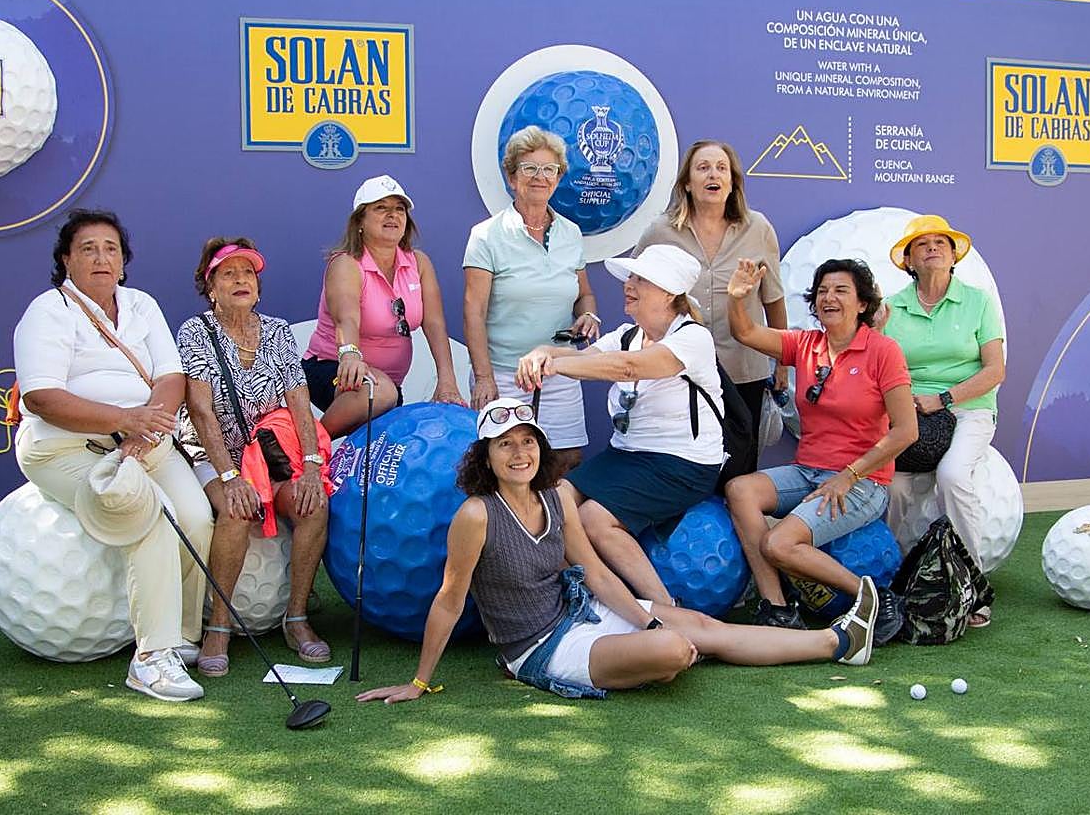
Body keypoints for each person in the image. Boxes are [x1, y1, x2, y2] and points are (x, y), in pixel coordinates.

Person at [354, 398, 880, 704]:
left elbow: (597, 576)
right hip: (540, 647)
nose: (519, 453)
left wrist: (648, 621)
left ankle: (838, 642)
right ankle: (656, 655)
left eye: (527, 441)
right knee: (675, 653)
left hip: (581, 610)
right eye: (504, 444)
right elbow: (449, 600)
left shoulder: (555, 497)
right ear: (486, 456)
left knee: (699, 627)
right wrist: (419, 681)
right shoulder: (477, 514)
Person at [12, 209, 212, 702]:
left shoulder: (141, 305)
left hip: (144, 440)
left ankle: (183, 637)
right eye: (88, 249)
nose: (101, 258)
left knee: (197, 516)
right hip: (64, 448)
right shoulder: (48, 311)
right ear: (66, 260)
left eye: (111, 249)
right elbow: (40, 397)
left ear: (123, 263)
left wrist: (143, 432)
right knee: (153, 518)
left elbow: (171, 378)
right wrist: (123, 422)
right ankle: (151, 658)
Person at [514, 245, 726, 605]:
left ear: (670, 293)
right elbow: (583, 358)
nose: (629, 284)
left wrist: (556, 366)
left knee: (594, 519)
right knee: (555, 500)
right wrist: (543, 353)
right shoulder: (628, 334)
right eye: (632, 277)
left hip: (682, 462)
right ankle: (587, 596)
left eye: (641, 279)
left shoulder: (693, 338)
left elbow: (627, 368)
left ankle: (663, 609)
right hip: (627, 454)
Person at [724, 258, 917, 643]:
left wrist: (849, 476)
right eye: (823, 291)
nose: (829, 297)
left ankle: (876, 599)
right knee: (739, 489)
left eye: (841, 290)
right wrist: (736, 297)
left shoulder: (883, 351)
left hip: (862, 482)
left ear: (863, 303)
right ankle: (778, 609)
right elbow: (745, 331)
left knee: (778, 543)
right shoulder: (806, 344)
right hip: (808, 471)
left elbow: (906, 431)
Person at [177, 238, 334, 676]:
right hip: (215, 453)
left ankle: (297, 618)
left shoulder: (278, 331)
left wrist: (310, 467)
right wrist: (229, 477)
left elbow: (300, 402)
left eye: (248, 273)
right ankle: (219, 627)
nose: (241, 280)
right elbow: (201, 411)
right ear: (211, 287)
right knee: (235, 511)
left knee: (314, 505)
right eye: (229, 273)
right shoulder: (195, 332)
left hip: (270, 454)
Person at [632, 140, 787, 470]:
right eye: (702, 168)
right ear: (687, 183)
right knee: (687, 464)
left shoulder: (758, 228)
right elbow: (635, 290)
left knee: (740, 467)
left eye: (721, 168)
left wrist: (783, 362)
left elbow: (773, 299)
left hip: (745, 368)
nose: (712, 175)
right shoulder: (661, 231)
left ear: (732, 182)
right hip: (681, 370)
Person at [881, 215, 1005, 629]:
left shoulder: (978, 300)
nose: (932, 248)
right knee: (893, 487)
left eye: (941, 243)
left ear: (953, 256)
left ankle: (971, 585)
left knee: (952, 475)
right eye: (922, 244)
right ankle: (893, 584)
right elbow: (879, 365)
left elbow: (995, 370)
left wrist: (944, 398)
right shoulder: (891, 307)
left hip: (968, 407)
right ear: (909, 260)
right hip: (911, 412)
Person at [463, 126, 602, 467]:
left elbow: (584, 294)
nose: (540, 177)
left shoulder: (571, 233)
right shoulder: (486, 236)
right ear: (512, 178)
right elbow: (473, 312)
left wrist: (589, 315)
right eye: (529, 169)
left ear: (558, 178)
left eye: (549, 169)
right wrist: (484, 378)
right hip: (504, 373)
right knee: (506, 463)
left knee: (566, 458)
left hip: (559, 369)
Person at [302, 175, 464, 438]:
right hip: (335, 368)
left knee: (385, 425)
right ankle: (309, 449)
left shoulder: (419, 262)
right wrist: (351, 355)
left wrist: (447, 380)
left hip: (387, 388)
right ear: (360, 221)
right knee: (379, 392)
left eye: (399, 209)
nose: (392, 215)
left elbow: (434, 324)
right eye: (381, 208)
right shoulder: (346, 263)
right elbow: (347, 318)